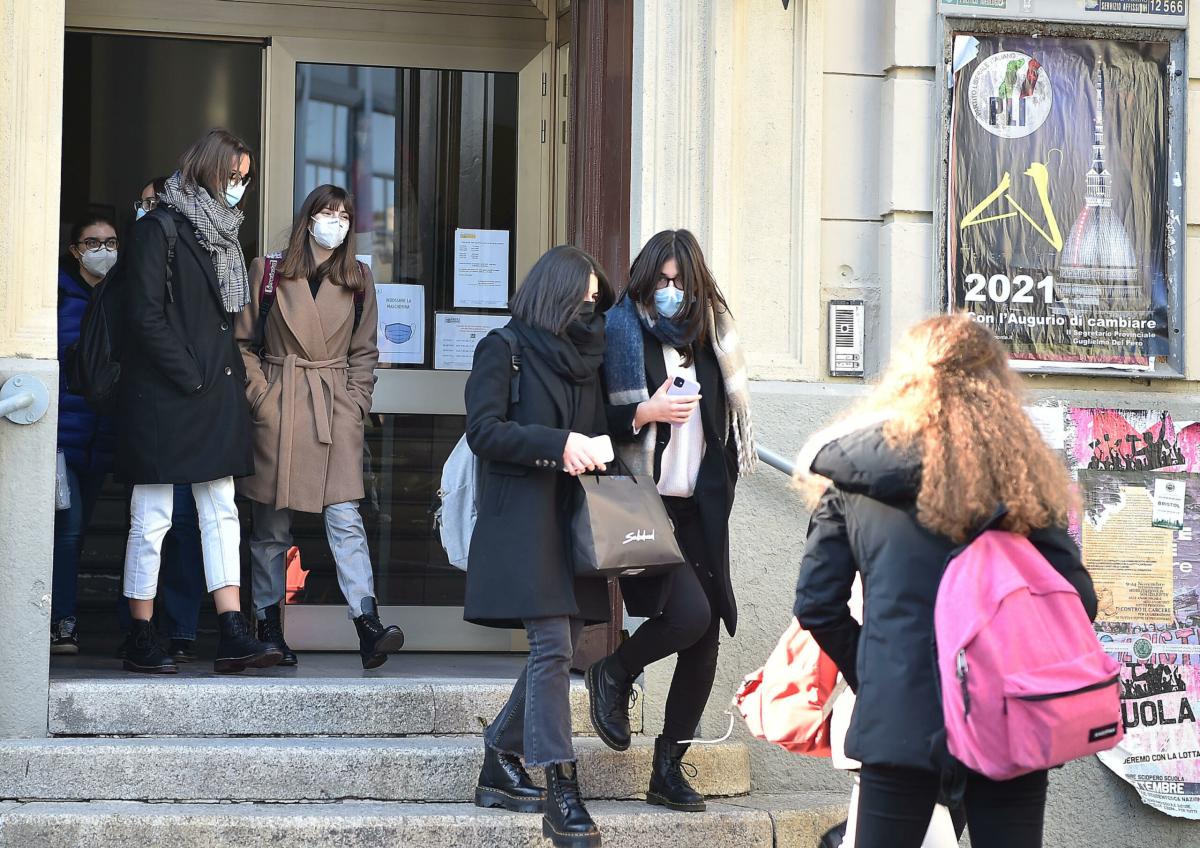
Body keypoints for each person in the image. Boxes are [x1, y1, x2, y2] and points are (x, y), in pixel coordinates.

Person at [792, 315, 1097, 848]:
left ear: (906, 380)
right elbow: (1077, 601)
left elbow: (817, 605)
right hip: (1007, 714)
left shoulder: (854, 477)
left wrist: (878, 672)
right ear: (995, 385)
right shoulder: (1020, 478)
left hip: (899, 717)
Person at [588, 229, 755, 812]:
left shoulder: (710, 337)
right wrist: (644, 412)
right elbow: (591, 419)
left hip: (699, 509)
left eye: (680, 281)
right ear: (643, 280)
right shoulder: (620, 331)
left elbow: (724, 427)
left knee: (705, 637)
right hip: (642, 503)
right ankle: (612, 672)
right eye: (660, 280)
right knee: (688, 615)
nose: (670, 291)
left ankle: (668, 766)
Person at [114, 128, 281, 675]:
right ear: (207, 171)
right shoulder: (158, 228)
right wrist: (190, 376)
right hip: (168, 393)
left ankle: (232, 630)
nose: (239, 187)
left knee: (221, 513)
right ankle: (141, 630)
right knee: (153, 515)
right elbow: (144, 316)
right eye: (232, 176)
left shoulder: (226, 236)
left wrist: (211, 381)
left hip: (212, 393)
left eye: (245, 178)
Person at [465, 245, 614, 848]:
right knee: (553, 641)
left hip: (574, 518)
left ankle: (499, 754)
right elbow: (483, 430)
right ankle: (562, 786)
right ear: (554, 294)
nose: (591, 307)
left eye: (596, 299)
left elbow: (598, 427)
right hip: (522, 519)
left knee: (566, 638)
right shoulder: (503, 348)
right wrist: (558, 443)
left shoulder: (587, 356)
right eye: (582, 298)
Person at [236, 183, 403, 670]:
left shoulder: (359, 279)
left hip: (332, 407)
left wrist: (354, 403)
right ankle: (268, 627)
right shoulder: (269, 271)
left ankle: (367, 623)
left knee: (345, 519)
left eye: (345, 215)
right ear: (308, 217)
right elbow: (243, 341)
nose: (336, 222)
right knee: (270, 527)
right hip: (281, 402)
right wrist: (261, 398)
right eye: (328, 213)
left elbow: (365, 352)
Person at [51, 214, 119, 653]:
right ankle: (62, 622)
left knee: (80, 527)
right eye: (92, 242)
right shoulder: (57, 297)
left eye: (111, 242)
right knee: (70, 529)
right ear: (75, 250)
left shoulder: (123, 298)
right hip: (62, 436)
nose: (103, 251)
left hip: (104, 437)